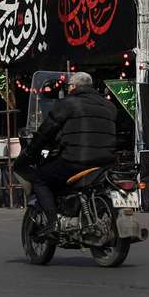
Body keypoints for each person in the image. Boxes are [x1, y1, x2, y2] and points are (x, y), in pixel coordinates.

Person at [24, 72, 119, 236]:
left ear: (74, 87)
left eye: (69, 86)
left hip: (76, 161)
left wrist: (31, 151)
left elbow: (46, 131)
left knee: (39, 178)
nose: (68, 90)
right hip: (105, 163)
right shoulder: (109, 106)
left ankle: (52, 222)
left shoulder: (67, 103)